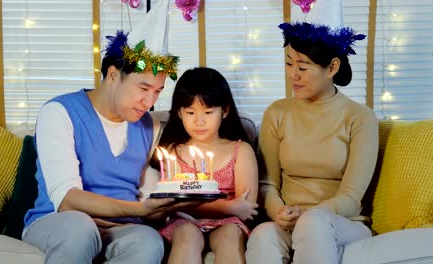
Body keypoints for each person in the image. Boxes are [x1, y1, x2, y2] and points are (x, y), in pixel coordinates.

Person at [21, 30, 195, 264]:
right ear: (113, 75)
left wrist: (171, 204)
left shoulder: (150, 127)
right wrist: (139, 210)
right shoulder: (59, 112)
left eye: (157, 92)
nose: (150, 102)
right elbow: (67, 200)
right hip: (60, 223)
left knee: (148, 240)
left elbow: (148, 198)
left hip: (121, 228)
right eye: (143, 89)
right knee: (80, 228)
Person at [245, 22, 379, 264]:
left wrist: (307, 215)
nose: (293, 75)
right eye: (288, 64)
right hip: (289, 221)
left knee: (313, 222)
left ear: (332, 67)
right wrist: (280, 213)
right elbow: (267, 184)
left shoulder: (360, 117)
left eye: (303, 67)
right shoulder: (277, 113)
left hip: (340, 223)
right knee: (263, 233)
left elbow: (351, 197)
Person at [157, 67, 259, 264]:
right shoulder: (173, 152)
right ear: (179, 112)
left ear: (225, 111)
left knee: (230, 235)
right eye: (190, 112)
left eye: (208, 112)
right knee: (186, 235)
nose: (199, 121)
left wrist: (198, 206)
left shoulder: (241, 150)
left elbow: (246, 206)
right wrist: (229, 206)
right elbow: (173, 203)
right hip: (184, 221)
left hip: (229, 224)